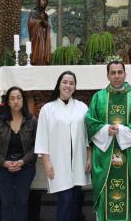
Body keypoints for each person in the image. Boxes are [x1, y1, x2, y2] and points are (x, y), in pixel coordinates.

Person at [85, 61, 131, 221]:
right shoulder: (99, 97)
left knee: (129, 188)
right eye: (113, 73)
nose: (116, 76)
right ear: (108, 75)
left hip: (129, 155)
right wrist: (105, 130)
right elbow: (90, 121)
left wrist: (121, 131)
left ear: (125, 74)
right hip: (104, 154)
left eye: (119, 72)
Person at [35, 71, 91, 221]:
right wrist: (46, 163)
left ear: (75, 87)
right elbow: (42, 136)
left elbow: (88, 136)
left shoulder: (82, 108)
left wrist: (89, 158)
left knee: (76, 200)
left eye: (71, 83)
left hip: (78, 160)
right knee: (65, 200)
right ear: (59, 85)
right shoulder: (48, 109)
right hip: (58, 162)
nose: (68, 85)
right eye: (65, 82)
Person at [0, 86, 37, 221]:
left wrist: (22, 161)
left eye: (19, 98)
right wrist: (3, 162)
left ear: (23, 101)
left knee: (22, 202)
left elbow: (37, 146)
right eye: (12, 98)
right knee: (6, 203)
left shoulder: (31, 120)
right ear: (8, 102)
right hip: (4, 167)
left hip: (25, 167)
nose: (16, 101)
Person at [27, 0, 51, 65]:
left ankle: (44, 61)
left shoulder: (45, 15)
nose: (44, 2)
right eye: (42, 0)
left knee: (43, 50)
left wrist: (47, 25)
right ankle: (36, 60)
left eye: (45, 1)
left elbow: (47, 25)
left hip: (44, 36)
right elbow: (30, 23)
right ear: (38, 1)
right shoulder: (33, 12)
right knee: (37, 51)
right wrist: (40, 22)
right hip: (36, 36)